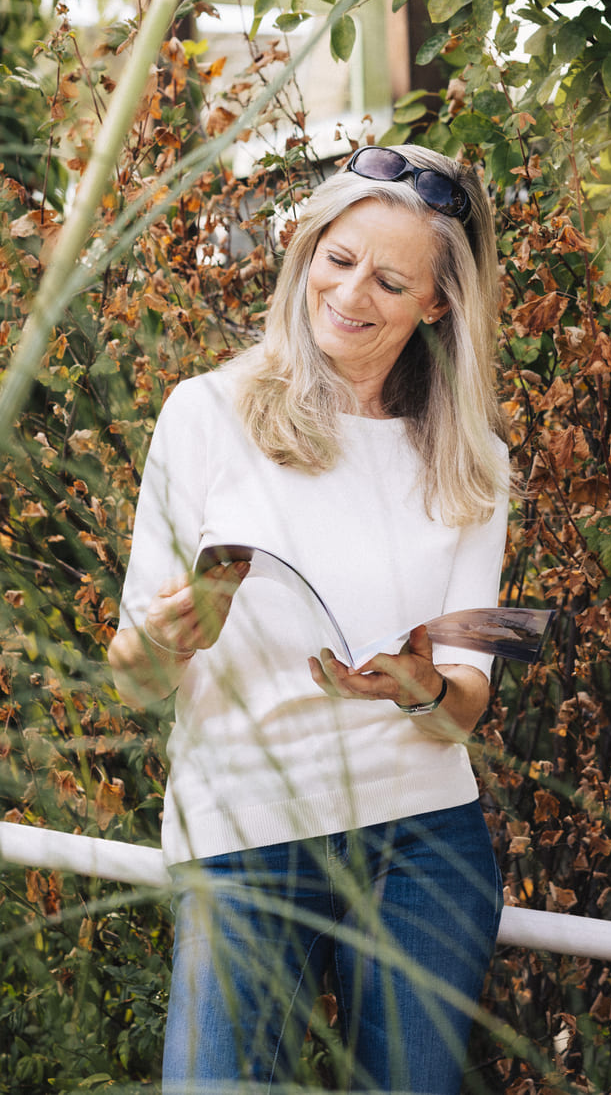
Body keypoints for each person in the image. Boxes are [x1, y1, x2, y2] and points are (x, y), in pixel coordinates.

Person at [108, 143, 511, 1093]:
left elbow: (463, 710)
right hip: (245, 835)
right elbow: (132, 679)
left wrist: (421, 687)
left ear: (438, 304)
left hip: (423, 841)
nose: (350, 293)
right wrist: (168, 641)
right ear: (307, 250)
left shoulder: (473, 461)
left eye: (390, 281)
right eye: (338, 258)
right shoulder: (207, 415)